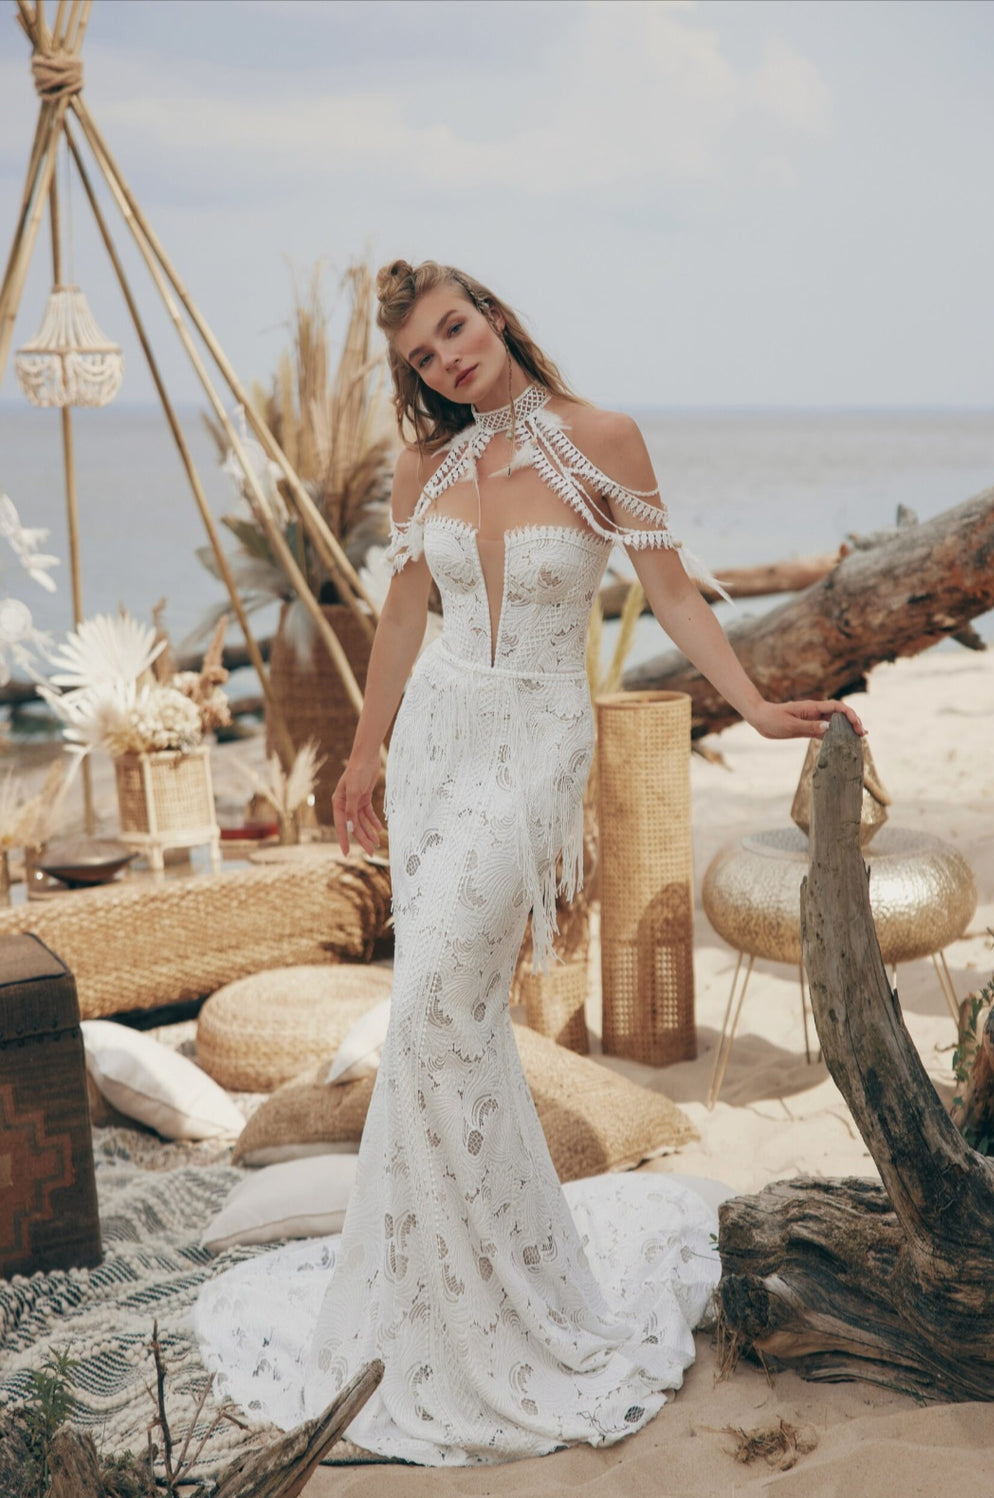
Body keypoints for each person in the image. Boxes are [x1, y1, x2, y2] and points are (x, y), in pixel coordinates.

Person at [194, 260, 864, 1466]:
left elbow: (667, 591)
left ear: (493, 316)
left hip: (534, 744)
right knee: (435, 1015)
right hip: (436, 741)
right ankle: (445, 1290)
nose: (449, 360)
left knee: (442, 1003)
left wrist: (754, 705)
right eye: (424, 358)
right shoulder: (427, 467)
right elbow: (405, 616)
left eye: (456, 330)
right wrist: (360, 754)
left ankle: (506, 1300)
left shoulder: (601, 440)